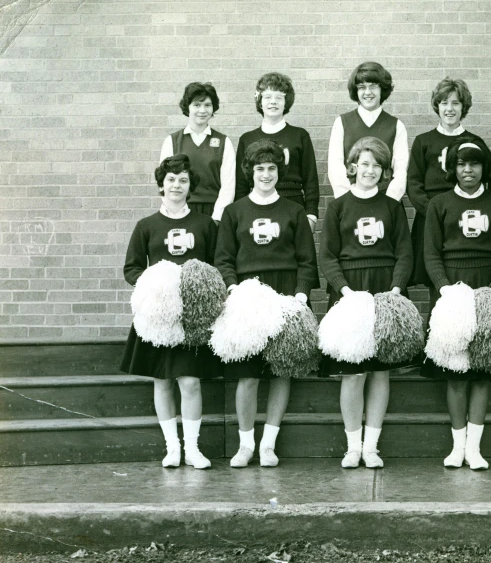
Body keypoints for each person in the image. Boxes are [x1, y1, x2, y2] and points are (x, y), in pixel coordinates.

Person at [215, 139, 318, 468]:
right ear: (250, 172)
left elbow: (306, 260)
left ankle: (268, 445)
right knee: (248, 375)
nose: (266, 174)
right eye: (259, 168)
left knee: (280, 371)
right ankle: (246, 445)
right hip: (247, 295)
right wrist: (234, 290)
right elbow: (224, 259)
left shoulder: (294, 211)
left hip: (285, 292)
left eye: (272, 168)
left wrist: (300, 295)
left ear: (279, 172)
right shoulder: (234, 211)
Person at [320, 137, 413, 469]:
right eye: (365, 163)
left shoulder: (392, 206)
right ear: (352, 167)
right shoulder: (338, 206)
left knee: (380, 373)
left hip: (384, 291)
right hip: (350, 293)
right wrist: (345, 292)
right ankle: (352, 447)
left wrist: (396, 290)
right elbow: (327, 256)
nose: (370, 170)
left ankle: (371, 447)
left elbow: (404, 252)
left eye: (377, 165)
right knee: (353, 373)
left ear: (383, 171)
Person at [421, 138, 491, 470]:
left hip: (487, 289)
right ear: (453, 169)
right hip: (451, 292)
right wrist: (446, 289)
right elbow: (431, 253)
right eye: (461, 164)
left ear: (483, 168)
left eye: (474, 164)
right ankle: (457, 446)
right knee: (457, 374)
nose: (468, 170)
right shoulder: (439, 204)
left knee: (482, 373)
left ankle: (474, 449)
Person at [121, 154, 218, 469]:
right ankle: (172, 448)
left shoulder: (205, 225)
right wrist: (155, 285)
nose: (177, 185)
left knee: (190, 382)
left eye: (183, 180)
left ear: (190, 187)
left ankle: (192, 449)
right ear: (161, 185)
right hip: (158, 317)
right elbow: (132, 269)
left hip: (191, 317)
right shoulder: (146, 226)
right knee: (162, 381)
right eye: (171, 179)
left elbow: (217, 268)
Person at [407, 77, 491, 287]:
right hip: (431, 218)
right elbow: (414, 184)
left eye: (455, 103)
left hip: (465, 216)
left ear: (463, 107)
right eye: (444, 103)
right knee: (436, 279)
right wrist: (433, 213)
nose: (449, 109)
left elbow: (490, 181)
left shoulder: (474, 142)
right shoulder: (423, 141)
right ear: (437, 106)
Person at [235, 72, 319, 232]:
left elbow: (310, 179)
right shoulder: (247, 139)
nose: (273, 102)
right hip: (257, 204)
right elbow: (241, 185)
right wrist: (241, 214)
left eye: (278, 97)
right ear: (259, 102)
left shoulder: (300, 135)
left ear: (286, 102)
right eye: (267, 97)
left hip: (293, 202)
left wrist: (311, 215)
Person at [327, 61, 408, 201]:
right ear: (356, 91)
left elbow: (401, 171)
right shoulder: (342, 122)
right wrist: (348, 202)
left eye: (373, 86)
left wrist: (389, 204)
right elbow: (335, 168)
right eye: (362, 87)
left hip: (386, 203)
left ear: (382, 89)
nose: (367, 92)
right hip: (350, 203)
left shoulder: (396, 125)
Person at [159, 82, 236, 223]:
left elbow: (228, 186)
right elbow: (164, 183)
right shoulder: (172, 141)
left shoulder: (224, 142)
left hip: (213, 211)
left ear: (213, 108)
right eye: (197, 105)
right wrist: (175, 212)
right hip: (182, 210)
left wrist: (217, 217)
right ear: (188, 107)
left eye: (207, 105)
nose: (202, 110)